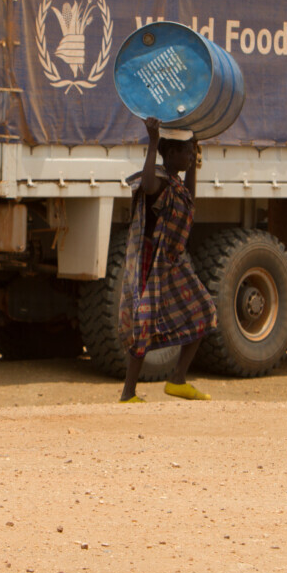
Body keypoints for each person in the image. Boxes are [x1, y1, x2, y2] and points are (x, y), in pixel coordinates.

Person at [118, 116, 217, 403]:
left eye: (191, 152)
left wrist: (195, 161)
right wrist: (151, 141)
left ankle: (177, 380)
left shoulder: (175, 184)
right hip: (153, 264)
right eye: (186, 152)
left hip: (174, 263)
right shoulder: (159, 181)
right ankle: (128, 393)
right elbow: (147, 186)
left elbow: (189, 199)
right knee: (144, 325)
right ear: (170, 153)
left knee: (204, 311)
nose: (190, 156)